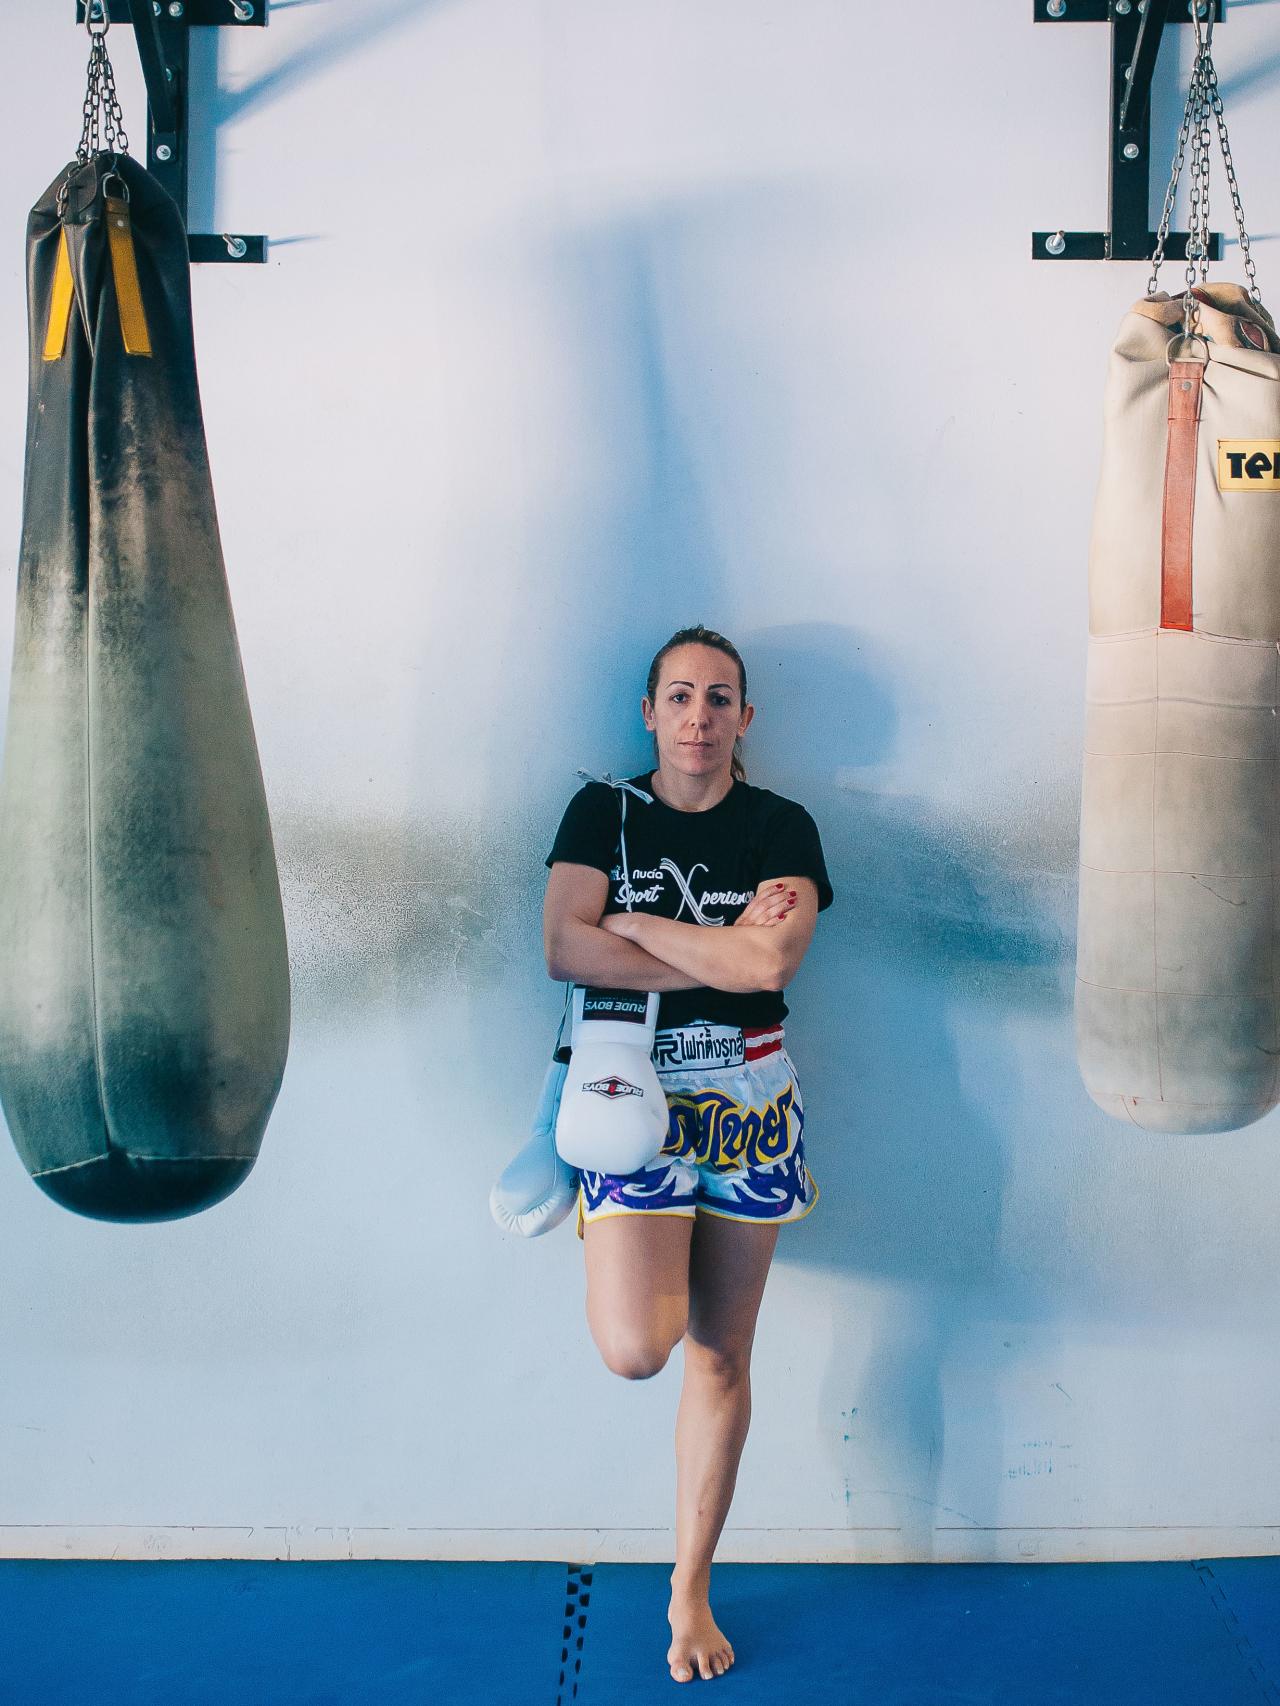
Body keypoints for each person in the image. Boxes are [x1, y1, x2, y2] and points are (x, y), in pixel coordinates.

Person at [542, 624, 833, 1684]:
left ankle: (688, 1584)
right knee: (636, 1344)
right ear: (649, 712)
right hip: (627, 1092)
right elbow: (562, 946)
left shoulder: (780, 824)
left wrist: (635, 917)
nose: (699, 715)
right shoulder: (600, 810)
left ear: (744, 718)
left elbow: (768, 963)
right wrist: (709, 948)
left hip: (751, 1102)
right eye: (679, 695)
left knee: (721, 1354)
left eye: (719, 697)